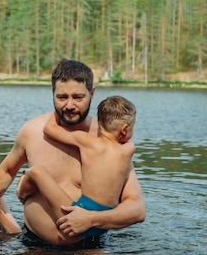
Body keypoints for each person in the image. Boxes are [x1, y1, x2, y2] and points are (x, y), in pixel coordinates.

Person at [0, 59, 145, 247]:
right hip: (33, 244)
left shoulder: (110, 142)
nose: (70, 105)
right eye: (62, 97)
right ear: (52, 94)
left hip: (89, 245)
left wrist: (91, 219)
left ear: (92, 93)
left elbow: (136, 209)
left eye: (78, 97)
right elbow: (6, 172)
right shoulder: (32, 132)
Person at [17, 95, 136, 240]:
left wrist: (60, 109)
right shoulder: (128, 149)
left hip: (79, 215)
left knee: (36, 172)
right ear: (124, 129)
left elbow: (49, 129)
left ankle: (22, 194)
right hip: (105, 224)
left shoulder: (86, 141)